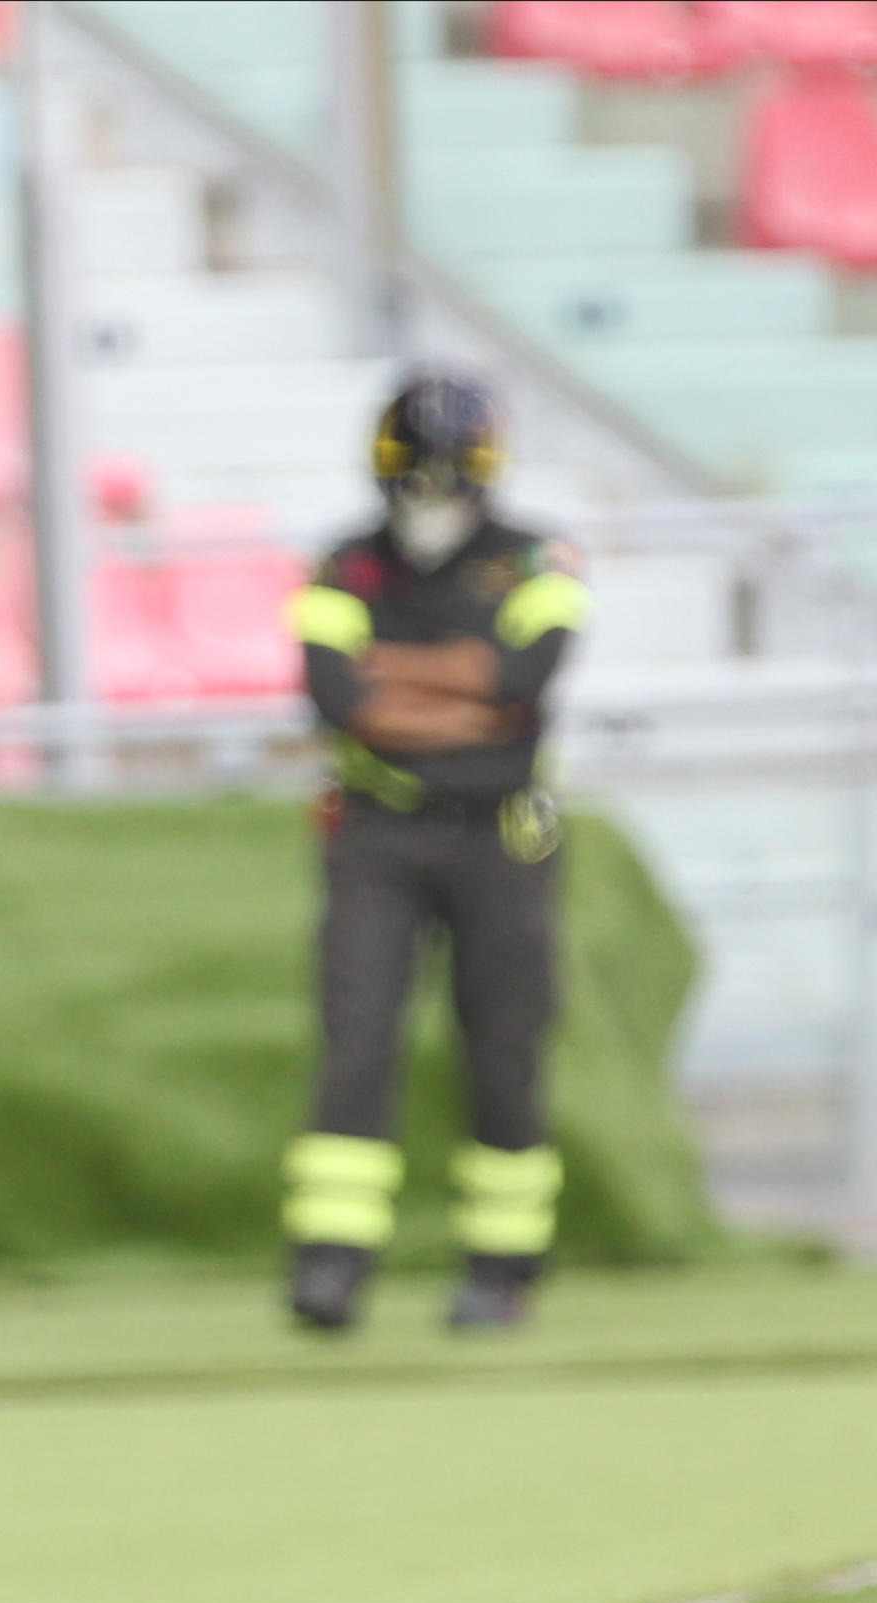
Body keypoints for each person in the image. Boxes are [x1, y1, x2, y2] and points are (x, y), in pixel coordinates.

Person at [282, 371, 588, 1333]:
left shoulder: (536, 557)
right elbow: (341, 700)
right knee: (358, 1031)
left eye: (454, 473)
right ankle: (331, 1263)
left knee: (502, 1041)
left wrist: (401, 675)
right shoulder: (344, 564)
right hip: (377, 831)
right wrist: (463, 690)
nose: (435, 494)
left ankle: (503, 1267)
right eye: (418, 473)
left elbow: (525, 684)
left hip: (504, 832)